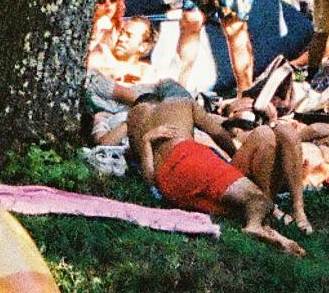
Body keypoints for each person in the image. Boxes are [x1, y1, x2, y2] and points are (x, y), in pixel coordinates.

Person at [126, 83, 306, 247]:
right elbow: (219, 134)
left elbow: (145, 171)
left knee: (264, 134)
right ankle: (257, 223)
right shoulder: (181, 103)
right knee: (257, 195)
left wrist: (147, 141)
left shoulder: (135, 117)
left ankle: (264, 214)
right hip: (189, 156)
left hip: (171, 184)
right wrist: (238, 161)